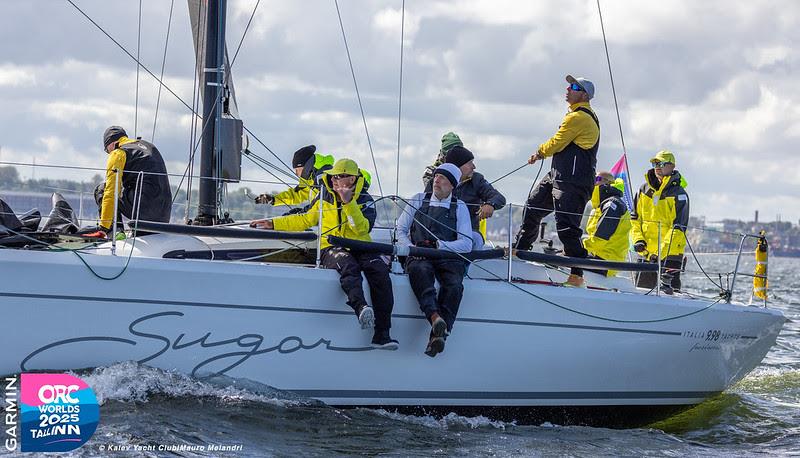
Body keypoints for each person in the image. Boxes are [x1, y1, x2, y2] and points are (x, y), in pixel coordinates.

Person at [250, 158, 397, 349]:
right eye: (334, 176)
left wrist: (348, 203)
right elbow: (305, 219)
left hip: (361, 245)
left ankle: (382, 334)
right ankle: (361, 307)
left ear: (353, 179)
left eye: (342, 176)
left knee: (380, 272)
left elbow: (362, 229)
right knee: (348, 265)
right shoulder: (324, 196)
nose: (336, 180)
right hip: (332, 247)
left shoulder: (365, 200)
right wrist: (273, 223)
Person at [513, 75, 600, 288]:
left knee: (566, 227)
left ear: (584, 95)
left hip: (574, 181)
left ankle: (577, 274)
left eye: (574, 86)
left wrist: (539, 153)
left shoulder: (579, 117)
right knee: (533, 205)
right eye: (569, 85)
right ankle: (520, 251)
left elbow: (557, 143)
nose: (568, 89)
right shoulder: (575, 115)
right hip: (558, 177)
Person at [396, 163, 473, 357]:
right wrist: (411, 249)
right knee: (420, 272)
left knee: (454, 284)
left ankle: (438, 335)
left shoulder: (460, 207)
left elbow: (466, 244)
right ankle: (435, 318)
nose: (437, 181)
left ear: (452, 186)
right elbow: (400, 230)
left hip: (446, 257)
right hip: (419, 254)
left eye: (443, 179)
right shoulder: (418, 199)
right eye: (436, 177)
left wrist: (440, 246)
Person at [87, 126, 172, 238]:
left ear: (111, 144)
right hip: (164, 213)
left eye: (107, 151)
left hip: (143, 208)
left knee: (101, 189)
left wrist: (103, 227)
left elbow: (111, 191)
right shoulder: (148, 146)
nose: (109, 154)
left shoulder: (118, 152)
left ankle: (116, 232)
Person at [630, 150, 689, 294]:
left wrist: (659, 252)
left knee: (670, 295)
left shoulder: (679, 194)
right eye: (655, 163)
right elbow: (635, 220)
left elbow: (678, 228)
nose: (657, 166)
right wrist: (638, 240)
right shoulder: (643, 190)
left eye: (661, 163)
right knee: (641, 293)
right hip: (646, 253)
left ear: (672, 166)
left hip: (670, 255)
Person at [441, 145, 506, 249]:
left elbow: (499, 198)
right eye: (470, 163)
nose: (474, 167)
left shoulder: (477, 180)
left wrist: (490, 204)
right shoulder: (437, 180)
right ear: (458, 166)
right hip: (441, 231)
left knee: (476, 239)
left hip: (469, 232)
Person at [253, 145, 335, 214]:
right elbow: (297, 195)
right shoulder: (312, 179)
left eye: (297, 169)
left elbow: (322, 203)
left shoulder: (324, 177)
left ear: (306, 166)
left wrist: (302, 213)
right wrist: (273, 199)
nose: (296, 173)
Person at [582, 172, 631, 277]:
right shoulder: (600, 206)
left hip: (606, 261)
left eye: (597, 178)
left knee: (563, 260)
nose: (593, 181)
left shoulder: (613, 204)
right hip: (599, 256)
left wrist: (580, 248)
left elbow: (601, 236)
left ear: (606, 184)